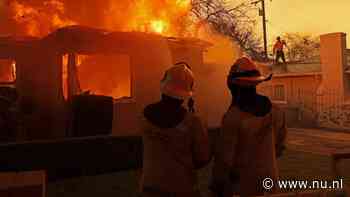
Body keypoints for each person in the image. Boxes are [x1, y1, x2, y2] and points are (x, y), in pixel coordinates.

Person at [209, 57, 283, 197]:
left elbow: (225, 161)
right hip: (270, 186)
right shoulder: (275, 111)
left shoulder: (233, 117)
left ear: (235, 86)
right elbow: (279, 148)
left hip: (241, 189)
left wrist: (216, 186)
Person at [140, 63, 210, 197]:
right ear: (186, 93)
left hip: (150, 188)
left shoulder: (144, 116)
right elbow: (203, 158)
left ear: (164, 86)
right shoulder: (192, 122)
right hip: (183, 189)